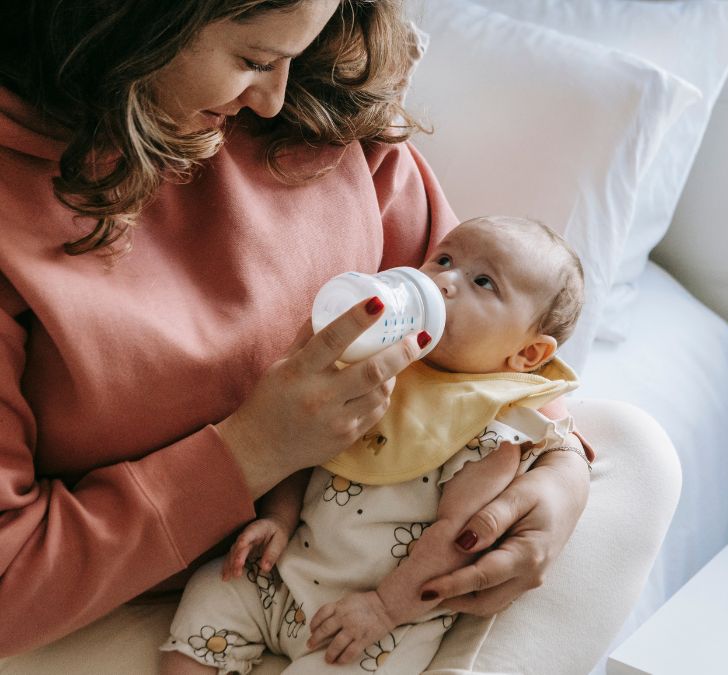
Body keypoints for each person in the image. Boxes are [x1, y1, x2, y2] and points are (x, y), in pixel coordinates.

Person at [0, 1, 681, 673]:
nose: (273, 99)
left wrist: (555, 477)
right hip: (105, 601)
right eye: (254, 59)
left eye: (298, 51)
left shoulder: (317, 102)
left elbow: (481, 343)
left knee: (632, 450)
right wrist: (253, 450)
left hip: (348, 572)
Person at [160, 215, 587, 673]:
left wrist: (385, 608)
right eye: (442, 259)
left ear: (528, 354)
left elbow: (456, 538)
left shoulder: (492, 427)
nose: (444, 281)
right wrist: (279, 519)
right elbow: (304, 448)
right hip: (283, 576)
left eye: (483, 282)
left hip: (372, 622)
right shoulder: (375, 363)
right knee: (212, 591)